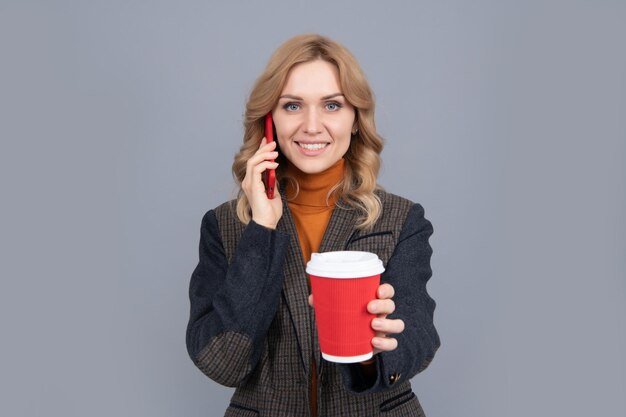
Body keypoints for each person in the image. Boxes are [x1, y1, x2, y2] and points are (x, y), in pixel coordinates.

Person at [186, 33, 440, 417]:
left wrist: (377, 349)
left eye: (332, 105)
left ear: (356, 120)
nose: (312, 125)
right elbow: (223, 363)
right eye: (292, 106)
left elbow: (420, 336)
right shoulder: (224, 226)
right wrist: (262, 230)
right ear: (269, 121)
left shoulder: (401, 219)